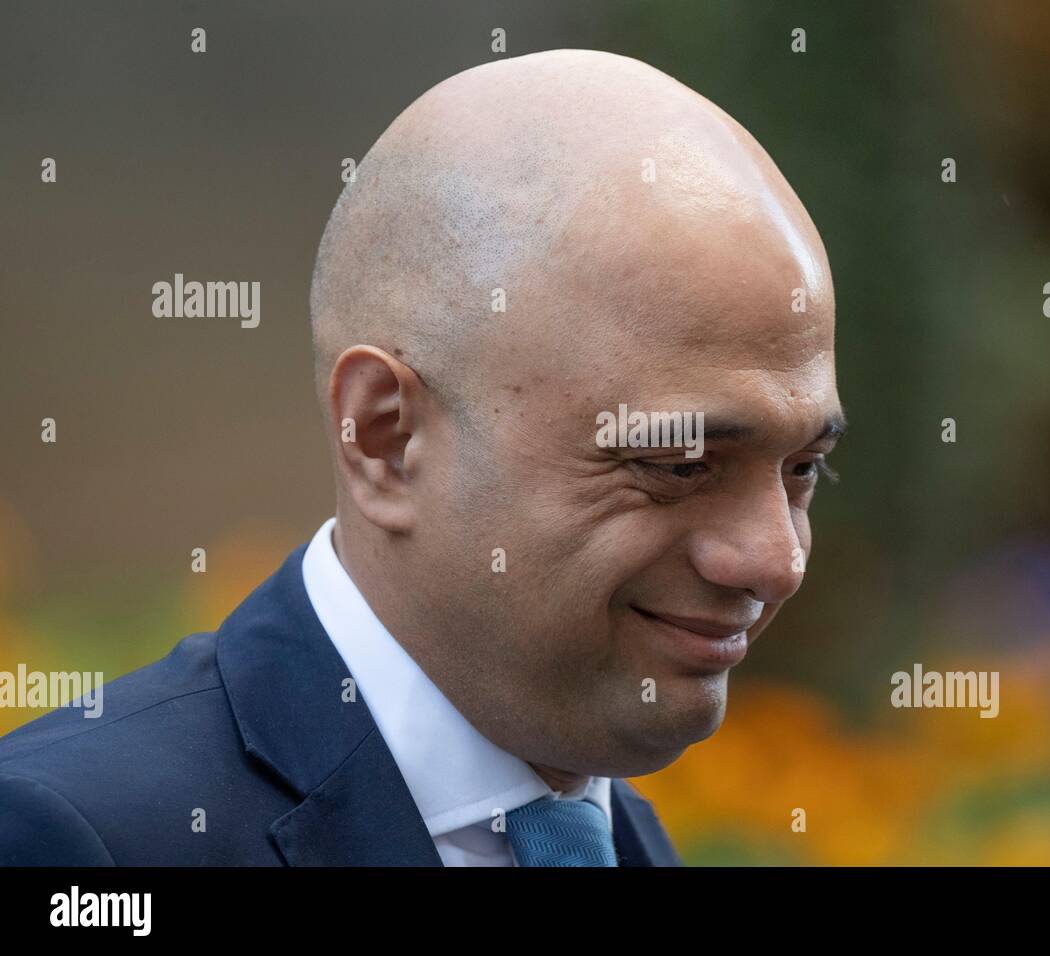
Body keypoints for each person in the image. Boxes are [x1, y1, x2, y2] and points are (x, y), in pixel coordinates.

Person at [0, 48, 843, 866]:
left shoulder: (618, 838)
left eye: (803, 468)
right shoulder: (84, 842)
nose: (775, 560)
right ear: (384, 438)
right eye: (679, 465)